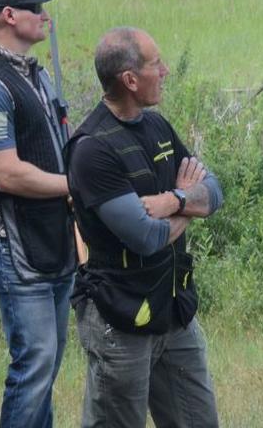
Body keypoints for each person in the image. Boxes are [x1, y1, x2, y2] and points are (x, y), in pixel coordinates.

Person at [65, 27, 223, 428]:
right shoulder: (92, 149)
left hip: (174, 310)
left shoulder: (157, 127)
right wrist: (190, 204)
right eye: (156, 64)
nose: (166, 70)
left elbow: (215, 191)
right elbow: (146, 237)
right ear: (130, 80)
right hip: (120, 320)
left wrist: (175, 201)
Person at [0, 0, 76, 428]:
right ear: (9, 16)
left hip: (53, 236)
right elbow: (5, 173)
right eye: (35, 8)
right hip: (14, 244)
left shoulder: (35, 74)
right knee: (35, 364)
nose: (45, 16)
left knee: (47, 364)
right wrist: (78, 187)